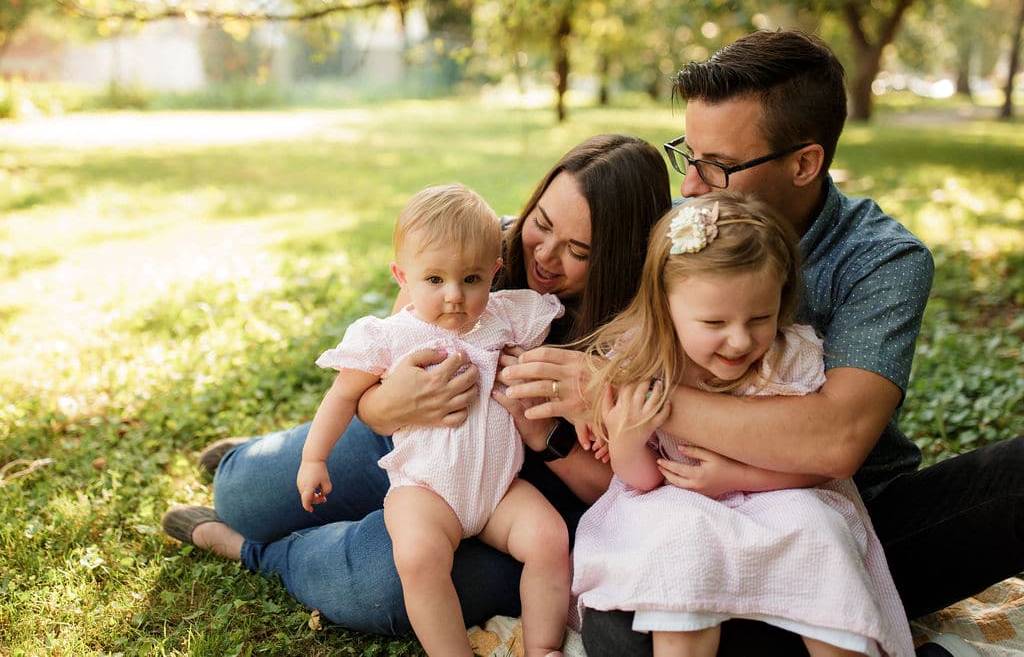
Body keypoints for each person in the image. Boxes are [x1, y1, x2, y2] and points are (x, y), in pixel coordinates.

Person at [575, 29, 1024, 655]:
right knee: (629, 629)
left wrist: (642, 396)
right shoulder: (685, 233)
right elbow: (555, 242)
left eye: (718, 167)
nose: (693, 188)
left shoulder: (880, 259)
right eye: (689, 156)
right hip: (687, 511)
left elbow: (835, 441)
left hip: (845, 512)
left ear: (805, 162)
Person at [159, 134, 673, 636]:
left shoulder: (639, 330)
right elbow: (392, 342)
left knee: (381, 585)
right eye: (542, 222)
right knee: (244, 494)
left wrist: (543, 433)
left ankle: (254, 551)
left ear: (618, 257)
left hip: (517, 491)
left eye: (578, 250)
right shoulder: (481, 252)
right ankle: (253, 462)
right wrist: (387, 404)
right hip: (415, 442)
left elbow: (621, 488)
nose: (544, 254)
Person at [572, 192, 914, 657]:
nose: (740, 340)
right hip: (676, 503)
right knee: (680, 545)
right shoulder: (642, 361)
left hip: (784, 492)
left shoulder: (788, 357)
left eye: (761, 318)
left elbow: (824, 468)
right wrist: (629, 439)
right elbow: (644, 479)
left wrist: (738, 477)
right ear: (665, 306)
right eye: (714, 321)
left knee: (819, 531)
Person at [298, 183, 568, 656]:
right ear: (402, 276)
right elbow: (342, 397)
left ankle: (542, 647)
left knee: (549, 538)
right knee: (419, 558)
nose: (454, 297)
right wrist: (313, 457)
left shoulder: (507, 317)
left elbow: (549, 358)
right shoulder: (392, 335)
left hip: (499, 489)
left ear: (495, 274)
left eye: (471, 279)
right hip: (425, 489)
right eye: (435, 280)